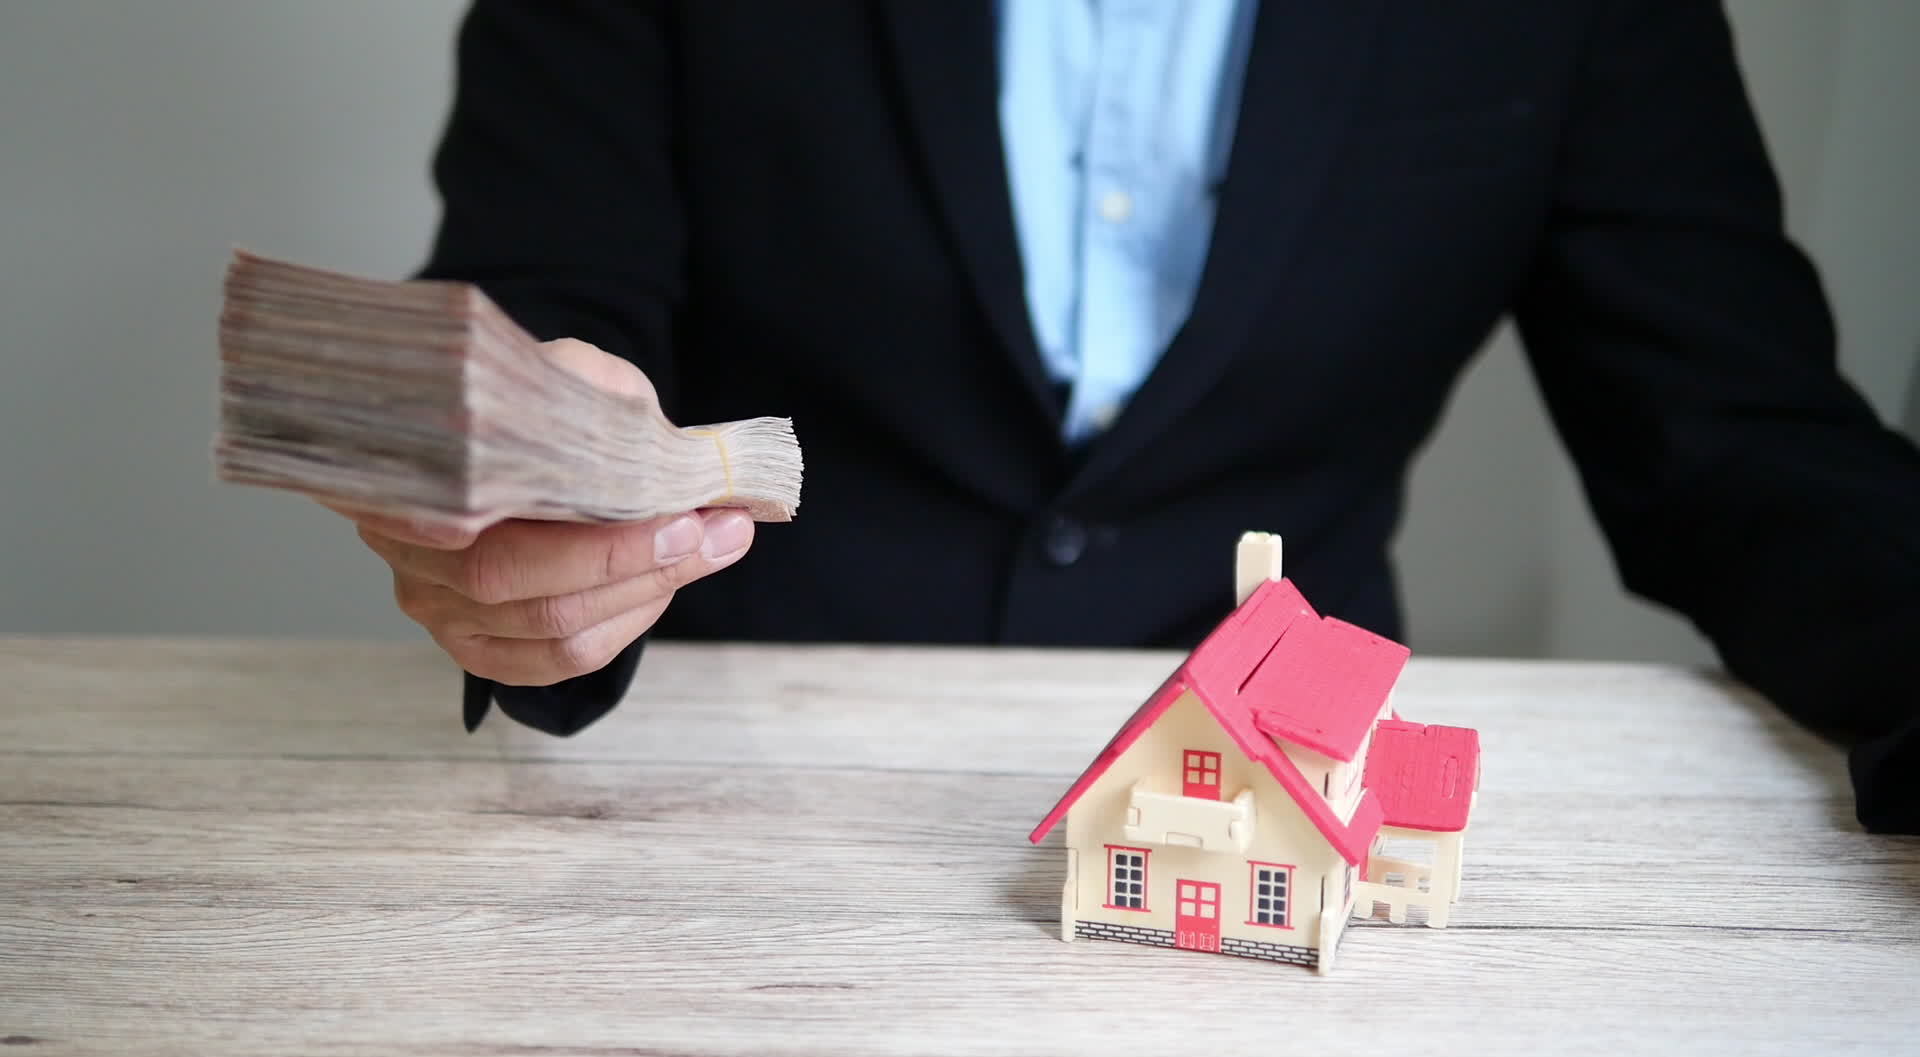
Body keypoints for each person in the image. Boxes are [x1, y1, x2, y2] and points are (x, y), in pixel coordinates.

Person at [324, 1, 1919, 833]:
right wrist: (540, 469)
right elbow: (547, 293)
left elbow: (1743, 433)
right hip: (716, 806)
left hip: (1284, 779)